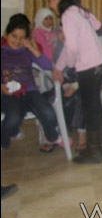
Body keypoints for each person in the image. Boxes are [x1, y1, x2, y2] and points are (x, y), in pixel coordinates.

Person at [50, 0, 102, 164]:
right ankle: (101, 147)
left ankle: (94, 152)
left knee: (89, 109)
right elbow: (97, 25)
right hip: (99, 62)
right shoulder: (79, 10)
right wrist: (59, 67)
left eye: (50, 0)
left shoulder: (68, 15)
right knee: (95, 106)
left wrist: (68, 64)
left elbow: (72, 47)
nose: (50, 4)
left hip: (88, 66)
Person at [1, 16, 62, 152]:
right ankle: (3, 140)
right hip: (9, 93)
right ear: (6, 34)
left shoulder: (27, 51)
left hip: (30, 91)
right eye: (14, 36)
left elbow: (47, 65)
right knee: (14, 117)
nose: (17, 41)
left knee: (47, 112)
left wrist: (31, 47)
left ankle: (52, 137)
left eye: (21, 38)